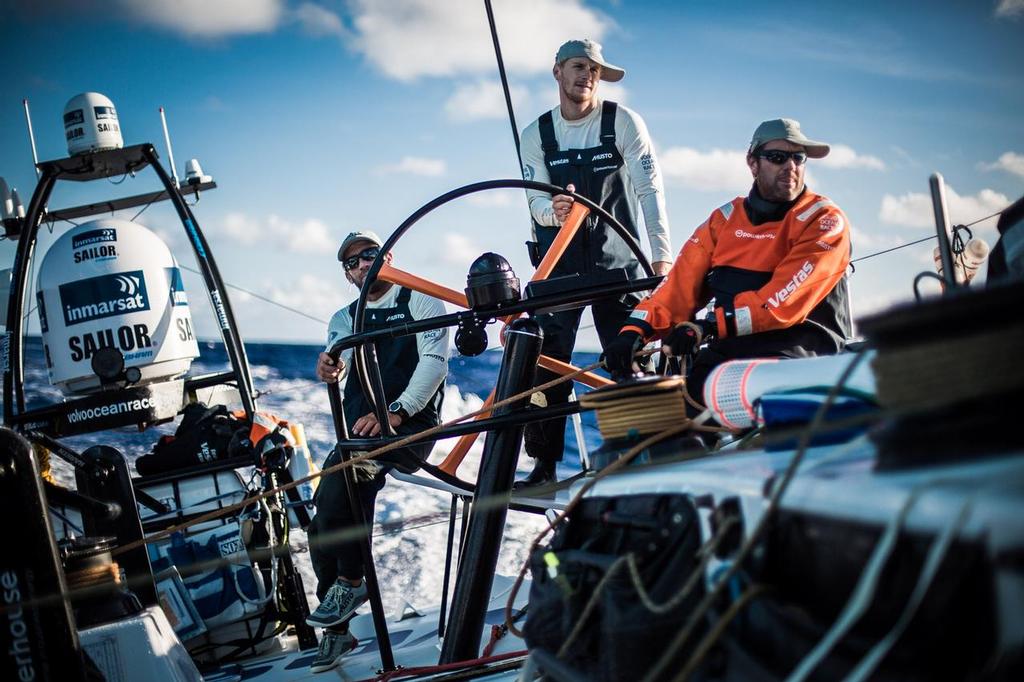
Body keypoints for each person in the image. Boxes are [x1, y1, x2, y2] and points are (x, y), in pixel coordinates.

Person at [604, 118, 853, 406]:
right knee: (669, 415)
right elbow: (676, 289)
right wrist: (633, 333)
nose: (790, 166)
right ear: (753, 163)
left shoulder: (824, 221)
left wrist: (707, 327)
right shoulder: (723, 221)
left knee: (751, 397)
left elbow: (780, 303)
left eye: (798, 157)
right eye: (777, 157)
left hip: (803, 356)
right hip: (732, 356)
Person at [516, 38, 672, 488]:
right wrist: (554, 211)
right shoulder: (536, 134)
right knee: (545, 366)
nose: (587, 76)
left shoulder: (623, 122)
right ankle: (543, 467)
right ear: (558, 71)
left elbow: (649, 192)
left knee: (630, 357)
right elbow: (535, 203)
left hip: (619, 266)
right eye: (579, 67)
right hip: (559, 268)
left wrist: (660, 259)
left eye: (595, 71)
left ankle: (640, 467)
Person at [305, 230, 448, 673]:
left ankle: (351, 580)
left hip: (410, 427)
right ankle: (338, 631)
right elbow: (335, 358)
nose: (363, 265)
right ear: (347, 275)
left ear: (388, 257)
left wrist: (396, 413)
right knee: (322, 521)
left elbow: (433, 364)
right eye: (353, 263)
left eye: (370, 255)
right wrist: (328, 366)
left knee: (352, 479)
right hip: (360, 435)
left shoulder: (422, 301)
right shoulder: (344, 317)